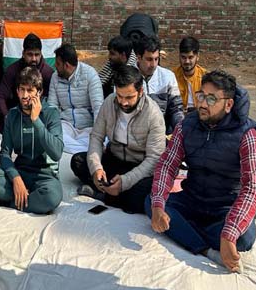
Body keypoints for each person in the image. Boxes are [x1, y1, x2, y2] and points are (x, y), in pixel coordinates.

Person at [146, 70, 256, 273]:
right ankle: (207, 249)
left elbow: (252, 188)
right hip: (193, 199)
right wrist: (158, 204)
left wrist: (230, 232)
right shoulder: (186, 126)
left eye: (211, 98)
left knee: (244, 238)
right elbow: (167, 165)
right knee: (151, 203)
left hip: (225, 207)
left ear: (228, 104)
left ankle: (189, 231)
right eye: (201, 96)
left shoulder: (246, 134)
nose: (202, 104)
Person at [71, 65, 166, 214]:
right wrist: (96, 168)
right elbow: (96, 137)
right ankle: (111, 192)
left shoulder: (153, 114)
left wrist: (125, 182)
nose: (123, 103)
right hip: (113, 159)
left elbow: (154, 159)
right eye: (120, 96)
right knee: (78, 161)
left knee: (142, 195)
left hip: (138, 167)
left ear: (140, 92)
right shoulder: (109, 102)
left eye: (129, 97)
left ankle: (103, 194)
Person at [0, 67, 63, 215]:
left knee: (52, 197)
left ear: (39, 92)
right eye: (22, 90)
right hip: (21, 172)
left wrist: (36, 120)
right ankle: (28, 199)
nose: (25, 95)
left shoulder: (51, 113)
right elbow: (5, 153)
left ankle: (12, 202)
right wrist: (16, 179)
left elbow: (57, 153)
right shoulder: (12, 116)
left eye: (30, 91)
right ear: (17, 91)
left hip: (44, 175)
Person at [0, 33, 54, 133]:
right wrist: (8, 118)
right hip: (15, 112)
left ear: (41, 54)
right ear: (23, 53)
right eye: (30, 54)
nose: (34, 59)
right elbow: (0, 97)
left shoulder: (48, 73)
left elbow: (51, 101)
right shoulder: (12, 70)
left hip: (38, 113)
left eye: (37, 55)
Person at [48, 43, 103, 154]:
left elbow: (98, 107)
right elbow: (52, 106)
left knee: (100, 141)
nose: (55, 66)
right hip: (66, 125)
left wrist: (98, 135)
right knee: (54, 138)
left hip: (88, 127)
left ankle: (79, 150)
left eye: (58, 64)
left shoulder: (90, 74)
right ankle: (85, 152)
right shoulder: (55, 77)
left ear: (66, 65)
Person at [134, 35, 184, 134]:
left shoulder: (168, 76)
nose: (153, 65)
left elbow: (176, 109)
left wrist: (181, 129)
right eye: (149, 59)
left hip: (162, 132)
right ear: (138, 58)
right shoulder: (127, 77)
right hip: (134, 133)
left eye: (156, 59)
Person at [173, 36, 206, 112]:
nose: (187, 61)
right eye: (183, 57)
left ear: (197, 57)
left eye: (190, 57)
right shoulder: (172, 76)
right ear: (179, 56)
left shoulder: (205, 76)